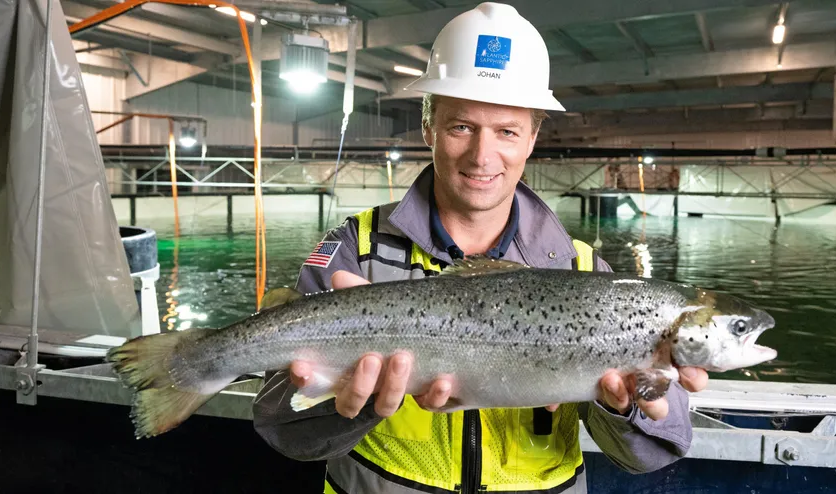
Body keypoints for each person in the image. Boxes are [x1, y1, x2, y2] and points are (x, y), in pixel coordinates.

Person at [252, 3, 707, 493]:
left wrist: (625, 407)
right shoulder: (354, 251)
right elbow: (282, 427)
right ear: (428, 127)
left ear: (532, 139)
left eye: (507, 132)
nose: (482, 156)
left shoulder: (583, 271)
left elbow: (656, 451)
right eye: (461, 127)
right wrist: (352, 403)